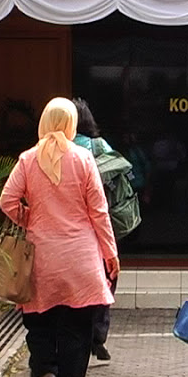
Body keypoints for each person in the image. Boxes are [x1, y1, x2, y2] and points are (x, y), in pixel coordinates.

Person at [0, 97, 119, 377]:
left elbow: (7, 200)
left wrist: (31, 218)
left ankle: (44, 371)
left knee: (39, 323)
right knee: (77, 332)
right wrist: (110, 253)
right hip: (80, 259)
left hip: (42, 258)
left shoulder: (28, 159)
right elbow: (99, 211)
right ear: (71, 124)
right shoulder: (83, 158)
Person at [72, 97, 115, 362]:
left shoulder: (50, 148)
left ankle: (74, 335)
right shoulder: (99, 146)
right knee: (103, 279)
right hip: (96, 227)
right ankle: (97, 334)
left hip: (64, 231)